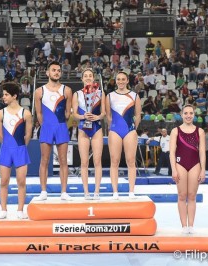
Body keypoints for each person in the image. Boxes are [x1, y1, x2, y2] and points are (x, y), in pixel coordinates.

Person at [34, 61, 73, 201]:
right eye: (53, 70)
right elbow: (38, 113)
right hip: (47, 127)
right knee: (44, 160)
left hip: (61, 126)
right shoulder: (39, 91)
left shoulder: (67, 90)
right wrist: (46, 125)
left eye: (58, 70)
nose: (56, 72)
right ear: (47, 73)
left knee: (63, 160)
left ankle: (64, 192)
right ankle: (43, 191)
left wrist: (60, 123)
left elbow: (68, 113)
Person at [0, 82, 32, 219]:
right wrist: (8, 146)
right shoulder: (0, 114)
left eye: (6, 95)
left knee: (21, 181)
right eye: (3, 94)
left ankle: (20, 210)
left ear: (14, 96)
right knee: (4, 181)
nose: (3, 97)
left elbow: (28, 135)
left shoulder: (26, 113)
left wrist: (20, 147)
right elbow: (0, 135)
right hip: (6, 149)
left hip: (20, 149)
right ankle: (3, 210)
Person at [169, 104, 206, 234]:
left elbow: (202, 152)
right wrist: (173, 169)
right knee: (181, 195)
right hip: (180, 165)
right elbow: (172, 152)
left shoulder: (200, 131)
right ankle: (184, 226)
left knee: (192, 196)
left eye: (191, 113)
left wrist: (203, 169)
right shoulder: (175, 131)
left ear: (194, 115)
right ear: (182, 115)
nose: (188, 115)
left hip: (195, 164)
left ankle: (191, 225)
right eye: (186, 113)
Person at [106, 71, 141, 199]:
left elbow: (138, 115)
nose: (121, 81)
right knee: (114, 161)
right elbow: (108, 116)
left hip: (130, 130)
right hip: (115, 129)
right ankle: (115, 192)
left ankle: (131, 191)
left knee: (131, 161)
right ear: (116, 81)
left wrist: (133, 129)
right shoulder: (110, 96)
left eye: (123, 79)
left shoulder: (134, 96)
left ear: (127, 81)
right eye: (118, 79)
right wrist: (112, 127)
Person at [72, 69, 105, 200]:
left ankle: (96, 191)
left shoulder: (100, 93)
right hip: (83, 128)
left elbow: (104, 113)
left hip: (96, 127)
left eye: (90, 76)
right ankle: (86, 192)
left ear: (93, 78)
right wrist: (83, 116)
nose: (88, 78)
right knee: (84, 162)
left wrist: (97, 117)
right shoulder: (77, 94)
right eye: (85, 76)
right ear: (82, 79)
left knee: (97, 161)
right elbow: (74, 114)